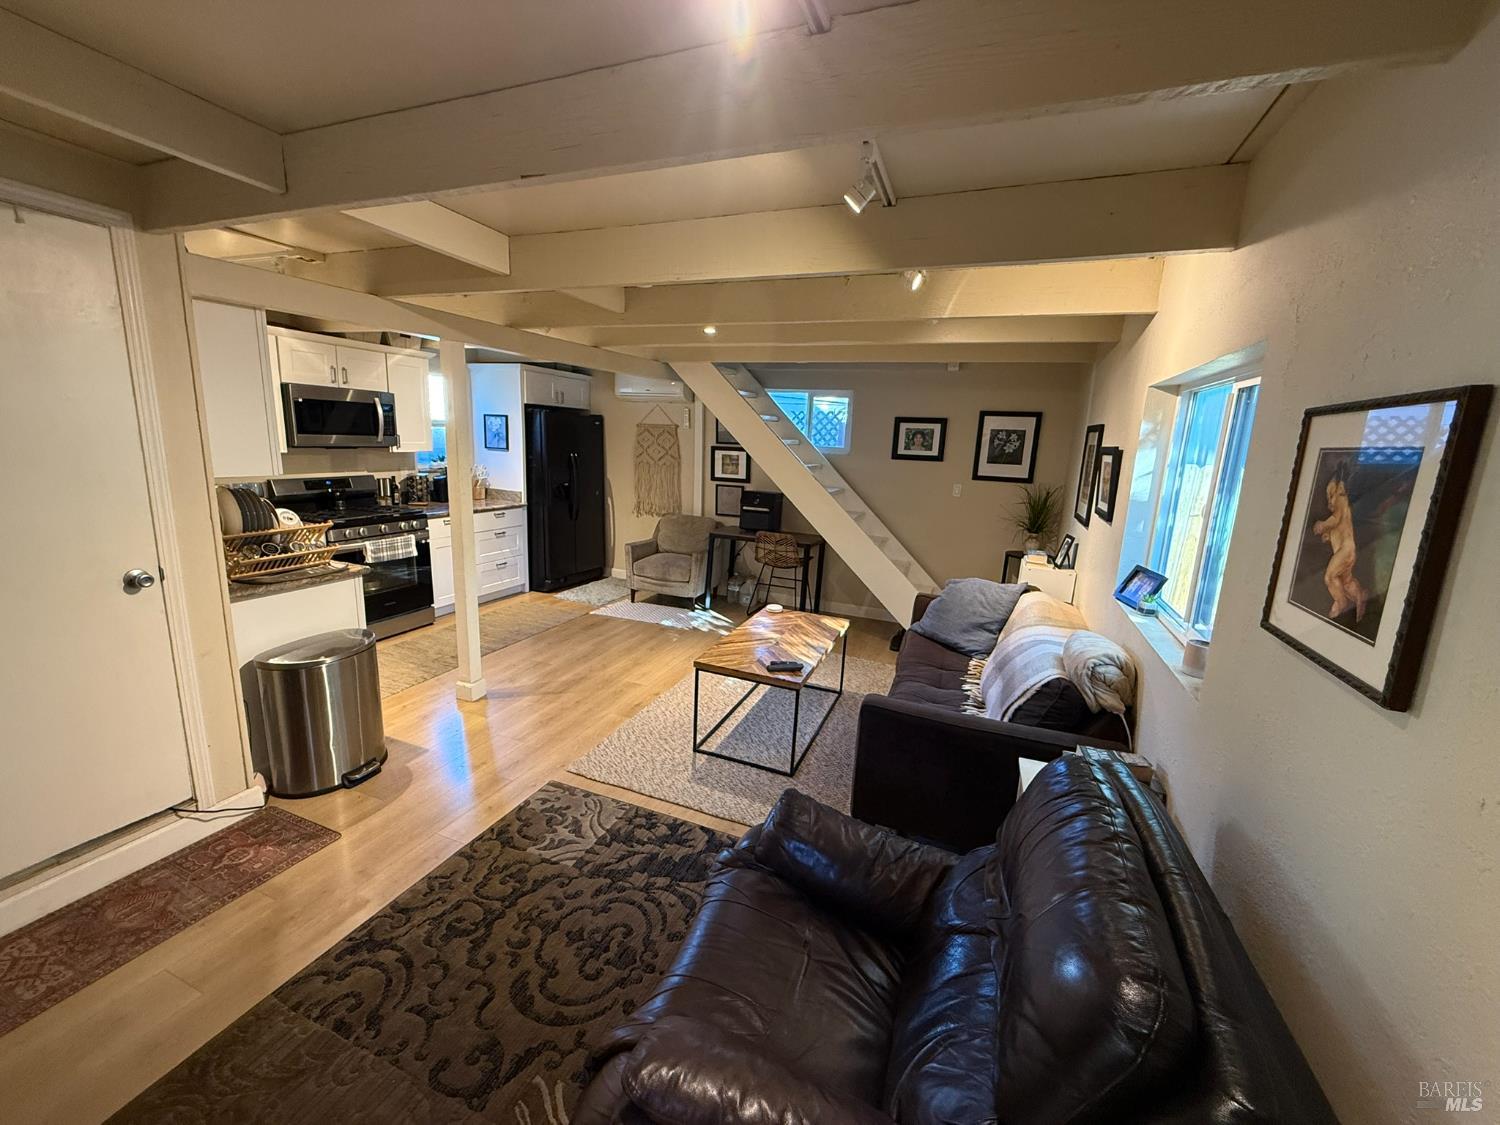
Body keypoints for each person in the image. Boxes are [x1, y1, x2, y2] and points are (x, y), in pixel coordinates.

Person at [1312, 462, 1369, 623]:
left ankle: (1341, 602)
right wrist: (1328, 535)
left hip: (1345, 550)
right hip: (1348, 550)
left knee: (1330, 577)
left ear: (1340, 489)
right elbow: (1341, 527)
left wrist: (1323, 525)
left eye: (1331, 494)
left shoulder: (1341, 499)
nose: (1329, 500)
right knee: (1346, 580)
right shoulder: (1344, 505)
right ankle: (1360, 596)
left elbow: (1335, 520)